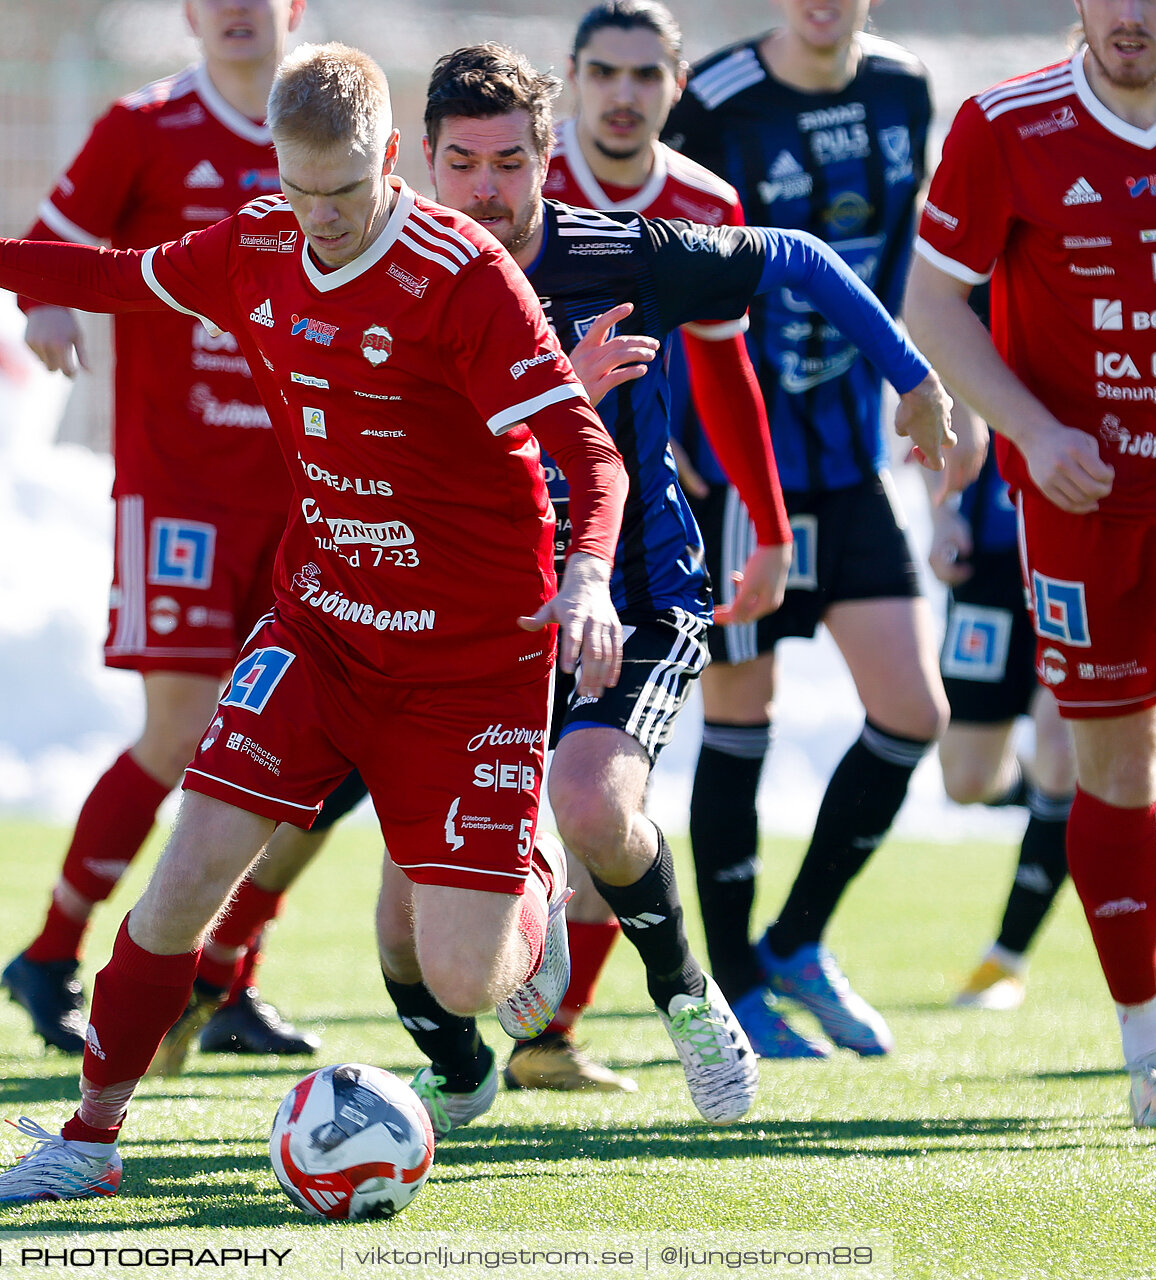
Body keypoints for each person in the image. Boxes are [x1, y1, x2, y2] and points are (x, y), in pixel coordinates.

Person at [0, 42, 634, 1202]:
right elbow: (113, 275)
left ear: (391, 160)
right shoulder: (256, 243)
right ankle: (89, 1137)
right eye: (298, 189)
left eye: (344, 192)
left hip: (473, 659)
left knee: (463, 976)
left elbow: (589, 455)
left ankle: (528, 868)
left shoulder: (463, 271)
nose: (320, 218)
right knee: (184, 877)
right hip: (323, 627)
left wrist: (587, 578)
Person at [395, 41, 948, 1131]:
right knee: (405, 905)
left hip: (638, 592)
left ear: (548, 158)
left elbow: (796, 255)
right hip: (477, 612)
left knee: (594, 798)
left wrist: (917, 380)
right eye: (463, 163)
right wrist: (547, 402)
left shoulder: (620, 253)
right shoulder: (399, 277)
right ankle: (460, 1064)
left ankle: (690, 998)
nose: (488, 189)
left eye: (511, 160)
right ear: (424, 161)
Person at [0, 0, 323, 1062]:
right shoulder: (143, 125)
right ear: (188, 11)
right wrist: (46, 305)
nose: (236, 10)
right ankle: (51, 950)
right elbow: (50, 248)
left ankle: (225, 983)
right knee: (182, 731)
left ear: (295, 10)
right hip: (176, 487)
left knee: (294, 742)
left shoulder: (327, 121)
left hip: (310, 493)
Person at [495, 0, 796, 1094]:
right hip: (489, 560)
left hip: (629, 559)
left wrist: (765, 513)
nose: (623, 95)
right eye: (603, 74)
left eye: (644, 75)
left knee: (594, 798)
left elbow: (725, 367)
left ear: (675, 83)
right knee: (419, 865)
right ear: (570, 84)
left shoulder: (700, 204)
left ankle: (640, 1005)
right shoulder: (498, 191)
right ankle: (464, 1047)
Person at [906, 0, 1156, 1129]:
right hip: (1086, 505)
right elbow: (934, 302)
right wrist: (1028, 426)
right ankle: (1151, 1044)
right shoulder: (1004, 123)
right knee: (1118, 764)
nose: (1130, 14)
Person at [663, 0, 956, 1059]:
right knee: (744, 707)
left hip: (848, 459)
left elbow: (901, 265)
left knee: (914, 710)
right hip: (742, 467)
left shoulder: (904, 85)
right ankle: (733, 978)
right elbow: (668, 260)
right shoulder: (716, 100)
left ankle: (796, 941)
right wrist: (675, 433)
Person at [927, 335, 1076, 1012]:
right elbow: (941, 372)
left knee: (1062, 751)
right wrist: (944, 505)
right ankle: (1066, 812)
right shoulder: (977, 275)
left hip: (1080, 556)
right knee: (965, 781)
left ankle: (1004, 959)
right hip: (989, 565)